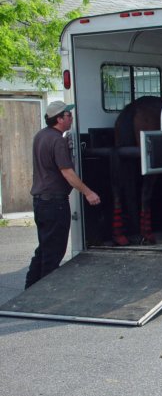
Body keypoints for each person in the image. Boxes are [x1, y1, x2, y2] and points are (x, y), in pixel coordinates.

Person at [25, 101, 101, 289]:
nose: (71, 118)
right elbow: (67, 172)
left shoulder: (41, 136)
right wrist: (88, 192)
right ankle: (45, 293)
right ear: (59, 119)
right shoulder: (57, 140)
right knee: (54, 251)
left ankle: (30, 289)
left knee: (44, 249)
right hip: (54, 204)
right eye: (68, 115)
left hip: (40, 202)